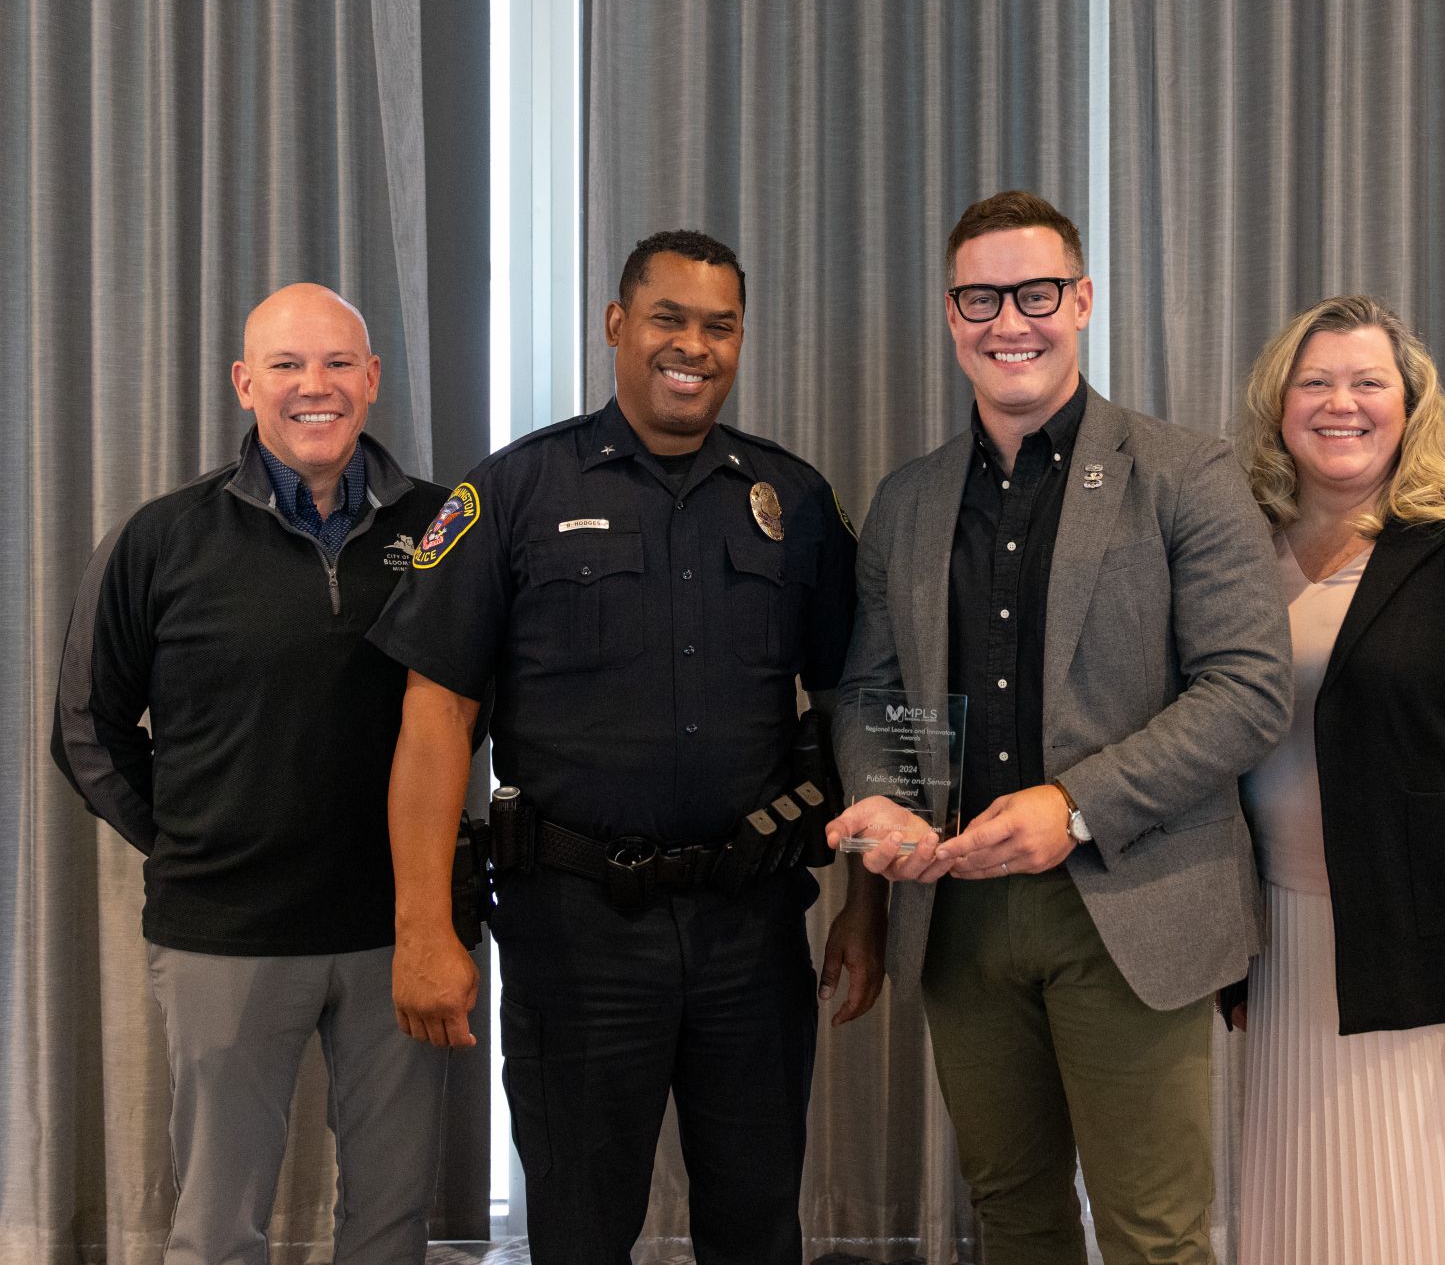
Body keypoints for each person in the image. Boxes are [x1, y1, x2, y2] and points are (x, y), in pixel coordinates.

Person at [367, 229, 883, 1265]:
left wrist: (869, 906)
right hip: (577, 932)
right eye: (668, 318)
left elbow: (852, 704)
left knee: (757, 1226)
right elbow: (435, 713)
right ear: (616, 325)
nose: (693, 345)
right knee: (579, 1228)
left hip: (752, 926)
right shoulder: (511, 493)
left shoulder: (796, 504)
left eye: (718, 325)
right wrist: (424, 926)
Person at [825, 190, 1292, 1265]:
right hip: (957, 916)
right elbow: (866, 690)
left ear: (1079, 301)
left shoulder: (1185, 474)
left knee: (1152, 1234)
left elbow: (1248, 688)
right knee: (1011, 1218)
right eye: (980, 298)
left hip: (1131, 907)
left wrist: (1075, 806)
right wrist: (882, 796)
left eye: (1034, 293)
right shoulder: (907, 500)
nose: (1009, 322)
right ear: (950, 316)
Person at [51, 284, 452, 1265]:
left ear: (372, 379)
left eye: (336, 363)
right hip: (224, 932)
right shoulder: (161, 537)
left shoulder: (446, 529)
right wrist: (192, 834)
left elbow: (500, 705)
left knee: (392, 1225)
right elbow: (85, 729)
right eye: (285, 365)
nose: (313, 386)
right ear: (244, 384)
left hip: (398, 932)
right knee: (217, 1226)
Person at [1225, 294, 1445, 1263]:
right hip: (1283, 949)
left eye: (1366, 382)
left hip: (1443, 963)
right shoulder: (1238, 549)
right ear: (1277, 405)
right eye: (1315, 382)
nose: (1339, 404)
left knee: (1434, 1224)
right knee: (1311, 1217)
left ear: (1408, 404)